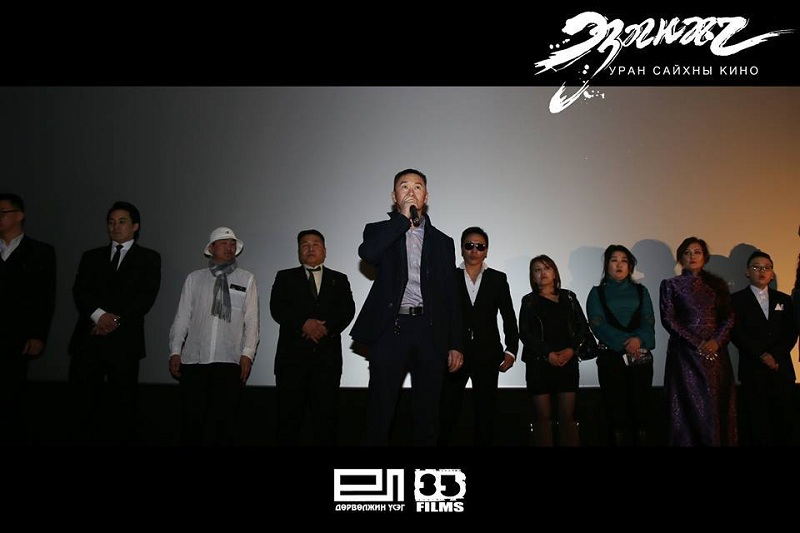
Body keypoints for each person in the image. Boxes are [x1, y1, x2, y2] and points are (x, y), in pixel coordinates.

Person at [350, 168, 464, 446]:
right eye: (404, 186)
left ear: (426, 196)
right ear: (394, 196)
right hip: (392, 329)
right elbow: (369, 254)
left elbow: (451, 295)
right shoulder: (378, 230)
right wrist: (401, 221)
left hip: (429, 331)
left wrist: (456, 343)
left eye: (417, 187)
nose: (411, 191)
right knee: (380, 408)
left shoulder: (443, 242)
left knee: (428, 412)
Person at [69, 200, 161, 444]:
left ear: (135, 226)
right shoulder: (91, 257)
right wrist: (99, 316)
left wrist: (114, 320)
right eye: (111, 222)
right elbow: (80, 292)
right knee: (83, 407)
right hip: (88, 340)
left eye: (122, 222)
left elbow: (145, 298)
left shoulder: (149, 258)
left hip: (125, 344)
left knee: (122, 409)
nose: (115, 227)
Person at [168, 227, 259, 446]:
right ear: (211, 248)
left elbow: (252, 320)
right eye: (224, 243)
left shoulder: (246, 278)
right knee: (192, 422)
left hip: (228, 360)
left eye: (232, 243)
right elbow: (182, 317)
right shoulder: (195, 278)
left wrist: (247, 354)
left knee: (225, 424)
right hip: (194, 360)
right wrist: (175, 350)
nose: (230, 247)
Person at [270, 229, 355, 446]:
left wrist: (325, 328)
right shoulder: (284, 277)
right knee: (287, 421)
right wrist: (303, 323)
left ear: (324, 250)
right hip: (291, 362)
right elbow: (277, 308)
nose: (310, 248)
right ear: (298, 251)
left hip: (327, 362)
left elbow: (347, 310)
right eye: (305, 244)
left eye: (315, 244)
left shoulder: (339, 279)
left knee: (326, 421)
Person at [439, 226, 518, 446]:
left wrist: (511, 350)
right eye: (469, 245)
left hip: (488, 354)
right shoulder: (449, 277)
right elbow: (440, 316)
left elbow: (509, 316)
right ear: (461, 249)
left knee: (486, 413)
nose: (474, 250)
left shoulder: (498, 279)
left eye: (480, 246)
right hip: (455, 354)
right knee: (446, 411)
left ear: (486, 251)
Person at [659, 236, 736, 446]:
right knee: (687, 407)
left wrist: (716, 341)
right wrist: (697, 343)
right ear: (680, 258)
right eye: (687, 253)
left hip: (715, 356)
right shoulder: (670, 285)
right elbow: (668, 319)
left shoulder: (717, 285)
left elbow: (728, 317)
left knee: (714, 405)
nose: (692, 256)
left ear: (705, 257)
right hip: (685, 357)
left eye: (697, 252)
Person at [586, 244, 656, 446]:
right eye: (614, 260)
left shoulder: (641, 291)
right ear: (606, 265)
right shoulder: (597, 293)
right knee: (615, 411)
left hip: (640, 358)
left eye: (624, 261)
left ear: (630, 266)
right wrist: (625, 342)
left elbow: (649, 320)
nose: (619, 265)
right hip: (610, 359)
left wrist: (638, 340)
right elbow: (597, 323)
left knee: (641, 410)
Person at [0, 193, 56, 444]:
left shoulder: (40, 252)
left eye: (3, 212)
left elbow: (45, 298)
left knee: (13, 394)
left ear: (19, 215)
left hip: (18, 337)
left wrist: (38, 335)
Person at [519, 254, 590, 447]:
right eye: (537, 270)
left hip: (568, 362)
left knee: (567, 416)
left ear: (555, 273)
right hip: (539, 364)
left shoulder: (569, 297)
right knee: (543, 417)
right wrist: (547, 353)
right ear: (532, 277)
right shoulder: (529, 301)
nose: (542, 273)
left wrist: (571, 350)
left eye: (547, 268)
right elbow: (525, 333)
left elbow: (582, 327)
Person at [730, 250, 798, 446]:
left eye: (766, 268)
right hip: (753, 369)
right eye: (756, 267)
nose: (762, 271)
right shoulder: (736, 300)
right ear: (747, 272)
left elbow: (791, 332)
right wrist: (761, 354)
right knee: (757, 424)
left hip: (781, 368)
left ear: (772, 274)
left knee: (785, 422)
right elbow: (736, 333)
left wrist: (774, 355)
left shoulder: (784, 299)